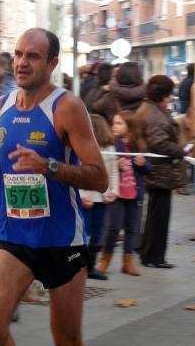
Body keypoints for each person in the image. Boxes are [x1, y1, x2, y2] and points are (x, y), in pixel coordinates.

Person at [0, 28, 108, 346]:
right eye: (18, 54)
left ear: (51, 63)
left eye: (32, 56)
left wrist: (49, 166)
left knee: (67, 338)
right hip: (14, 237)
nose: (22, 62)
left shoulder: (67, 108)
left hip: (62, 242)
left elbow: (100, 179)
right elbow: (8, 160)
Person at [137, 75, 187, 268]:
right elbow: (159, 143)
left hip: (155, 170)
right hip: (159, 171)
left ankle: (148, 253)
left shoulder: (148, 108)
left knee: (154, 214)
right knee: (159, 216)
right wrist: (180, 150)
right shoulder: (155, 114)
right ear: (164, 96)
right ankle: (155, 256)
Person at [97, 110, 151, 277]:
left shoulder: (139, 146)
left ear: (130, 126)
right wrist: (115, 165)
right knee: (113, 228)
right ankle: (104, 261)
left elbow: (150, 168)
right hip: (117, 194)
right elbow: (103, 166)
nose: (114, 126)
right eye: (114, 123)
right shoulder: (111, 144)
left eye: (119, 123)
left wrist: (142, 164)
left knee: (132, 228)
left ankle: (127, 263)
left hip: (134, 194)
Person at [79, 114, 118, 280]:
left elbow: (113, 172)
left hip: (102, 198)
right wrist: (81, 195)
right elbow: (78, 174)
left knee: (98, 232)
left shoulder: (109, 149)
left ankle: (90, 266)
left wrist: (113, 191)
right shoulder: (81, 149)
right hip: (87, 198)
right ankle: (79, 266)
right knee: (83, 232)